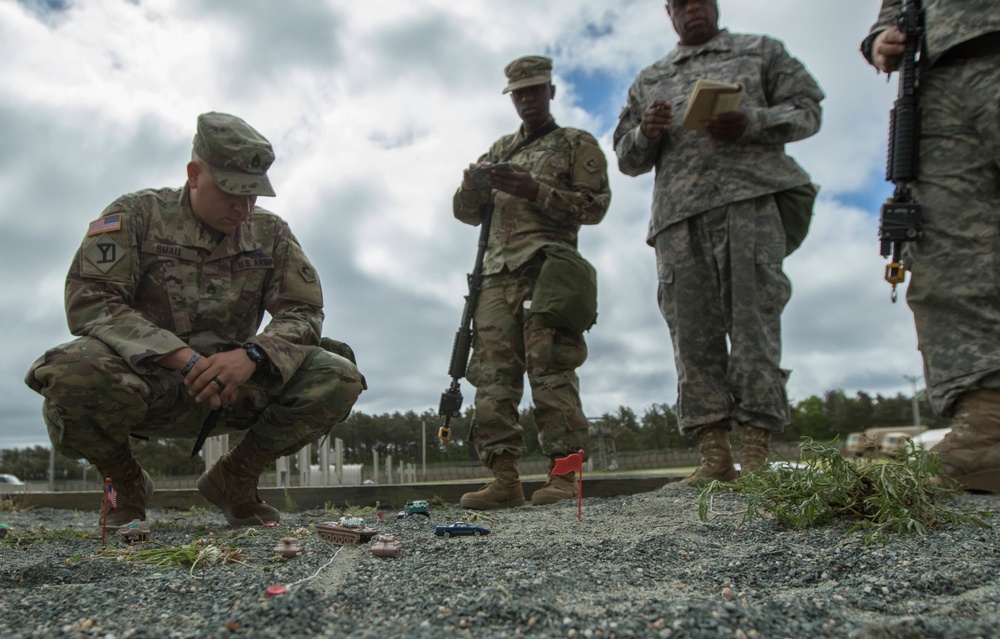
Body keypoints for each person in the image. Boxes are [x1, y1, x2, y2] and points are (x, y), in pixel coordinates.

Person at [25, 112, 366, 528]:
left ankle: (235, 478)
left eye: (253, 195)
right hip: (151, 383)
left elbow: (303, 311)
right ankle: (126, 484)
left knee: (337, 374)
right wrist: (181, 357)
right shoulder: (137, 216)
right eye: (231, 192)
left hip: (234, 388)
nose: (243, 207)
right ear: (194, 174)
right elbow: (91, 299)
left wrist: (253, 356)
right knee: (69, 373)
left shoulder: (270, 234)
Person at [613, 0, 823, 483]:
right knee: (691, 336)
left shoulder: (761, 51)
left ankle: (756, 454)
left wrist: (752, 121)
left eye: (700, 1)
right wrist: (646, 132)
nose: (692, 10)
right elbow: (626, 156)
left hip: (749, 200)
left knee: (754, 324)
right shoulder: (651, 78)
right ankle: (714, 458)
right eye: (681, 4)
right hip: (677, 216)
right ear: (669, 13)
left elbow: (808, 111)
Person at [453, 55, 611, 508]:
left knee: (550, 369)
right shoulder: (500, 149)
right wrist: (471, 186)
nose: (526, 99)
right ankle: (505, 479)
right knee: (491, 378)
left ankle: (564, 477)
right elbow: (464, 212)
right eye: (518, 93)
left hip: (547, 270)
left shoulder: (574, 143)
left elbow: (595, 207)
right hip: (493, 276)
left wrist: (535, 190)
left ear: (551, 91)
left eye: (534, 90)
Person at [861, 2, 1000, 492]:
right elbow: (896, 9)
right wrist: (879, 40)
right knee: (945, 242)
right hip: (934, 76)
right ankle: (987, 427)